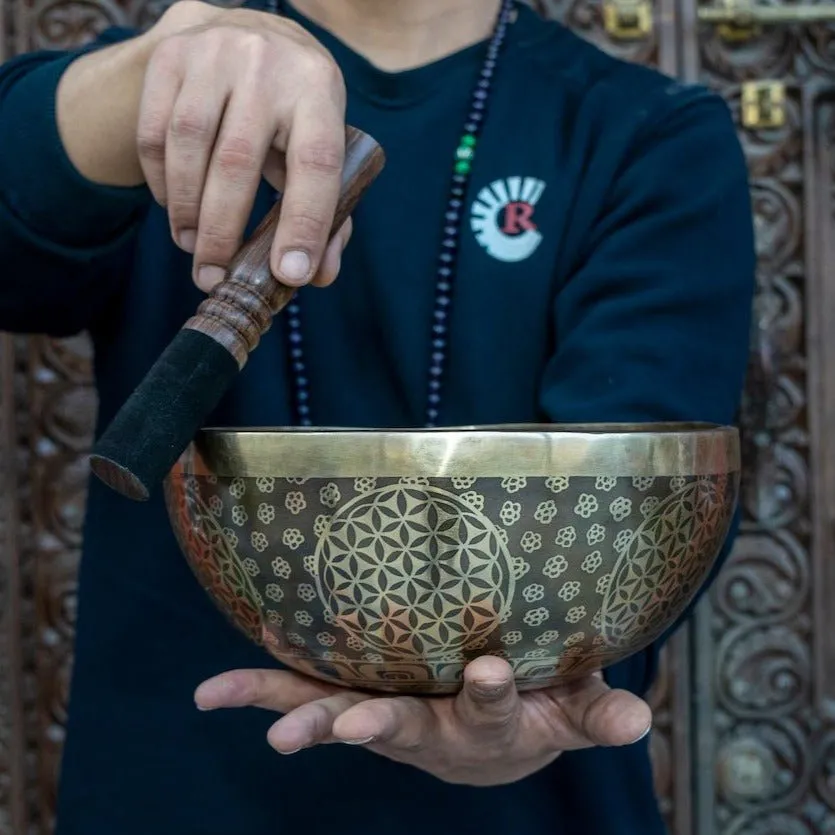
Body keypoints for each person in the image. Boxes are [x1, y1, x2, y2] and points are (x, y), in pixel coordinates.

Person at [0, 0, 755, 832]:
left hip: (527, 796)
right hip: (178, 775)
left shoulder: (646, 132)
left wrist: (519, 710)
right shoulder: (172, 87)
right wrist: (141, 80)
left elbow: (638, 511)